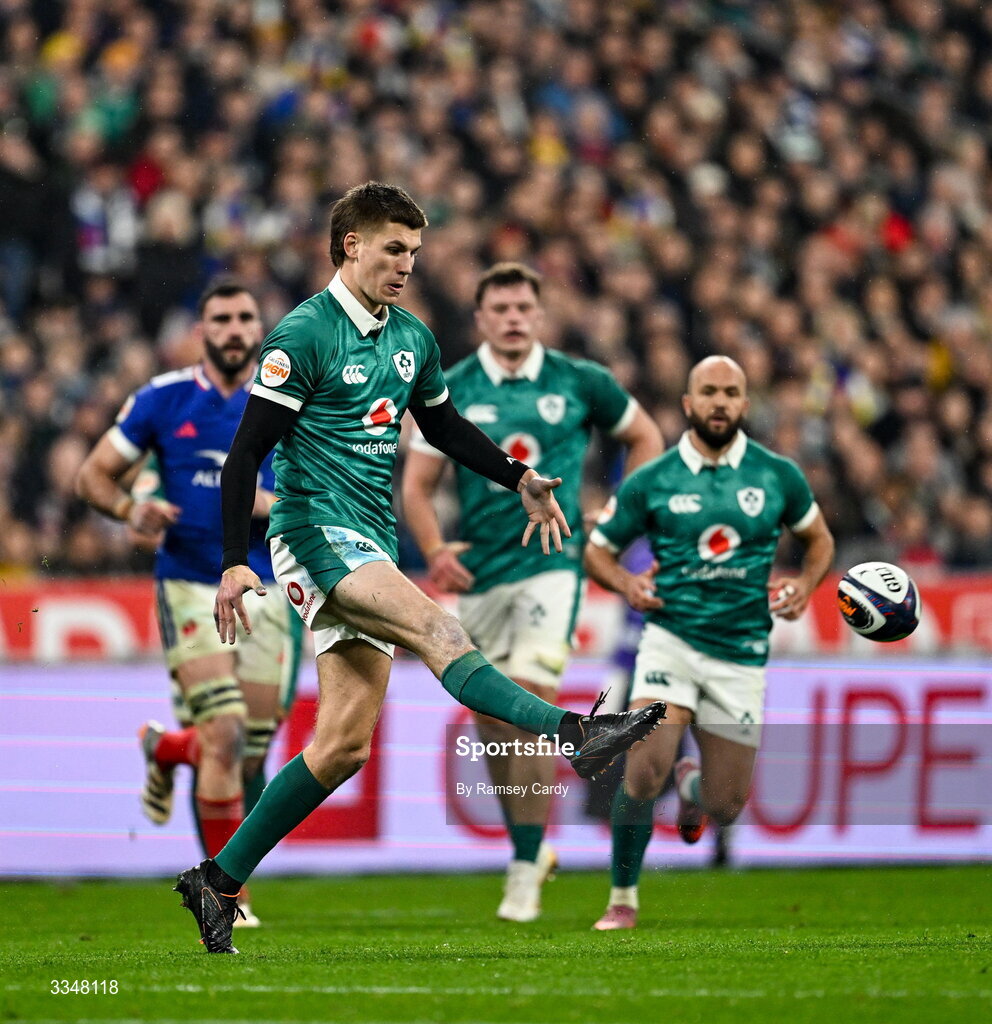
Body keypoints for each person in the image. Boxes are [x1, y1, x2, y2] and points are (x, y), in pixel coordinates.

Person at [171, 181, 666, 953]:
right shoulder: (303, 335)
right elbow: (244, 459)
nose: (407, 263)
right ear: (352, 246)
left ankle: (218, 880)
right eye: (393, 248)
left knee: (341, 747)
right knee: (439, 627)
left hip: (370, 537)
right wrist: (234, 561)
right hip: (314, 532)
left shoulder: (412, 337)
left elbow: (442, 425)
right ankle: (575, 732)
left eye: (415, 251)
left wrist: (516, 477)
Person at [402, 261, 662, 921]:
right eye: (501, 309)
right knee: (495, 719)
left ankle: (523, 866)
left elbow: (644, 434)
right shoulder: (450, 389)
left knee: (536, 696)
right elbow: (417, 486)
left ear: (539, 316)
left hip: (554, 563)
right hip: (482, 571)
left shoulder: (579, 381)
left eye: (524, 308)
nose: (514, 318)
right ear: (481, 318)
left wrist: (624, 510)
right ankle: (529, 846)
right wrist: (434, 549)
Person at [584, 356, 834, 930]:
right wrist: (627, 582)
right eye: (709, 392)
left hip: (741, 650)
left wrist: (806, 582)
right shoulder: (653, 479)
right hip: (669, 641)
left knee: (725, 806)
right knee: (642, 771)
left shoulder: (778, 475)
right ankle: (622, 898)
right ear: (688, 405)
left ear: (745, 405)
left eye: (731, 392)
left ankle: (692, 785)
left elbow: (819, 540)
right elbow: (599, 550)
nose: (720, 401)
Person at [76, 278, 297, 926]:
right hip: (190, 581)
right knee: (225, 733)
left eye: (244, 318)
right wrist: (128, 507)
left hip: (267, 584)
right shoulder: (163, 399)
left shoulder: (289, 403)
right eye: (221, 319)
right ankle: (228, 895)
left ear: (259, 331)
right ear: (203, 330)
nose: (234, 329)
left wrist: (274, 505)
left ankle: (168, 749)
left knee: (251, 749)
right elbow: (93, 473)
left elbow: (326, 491)